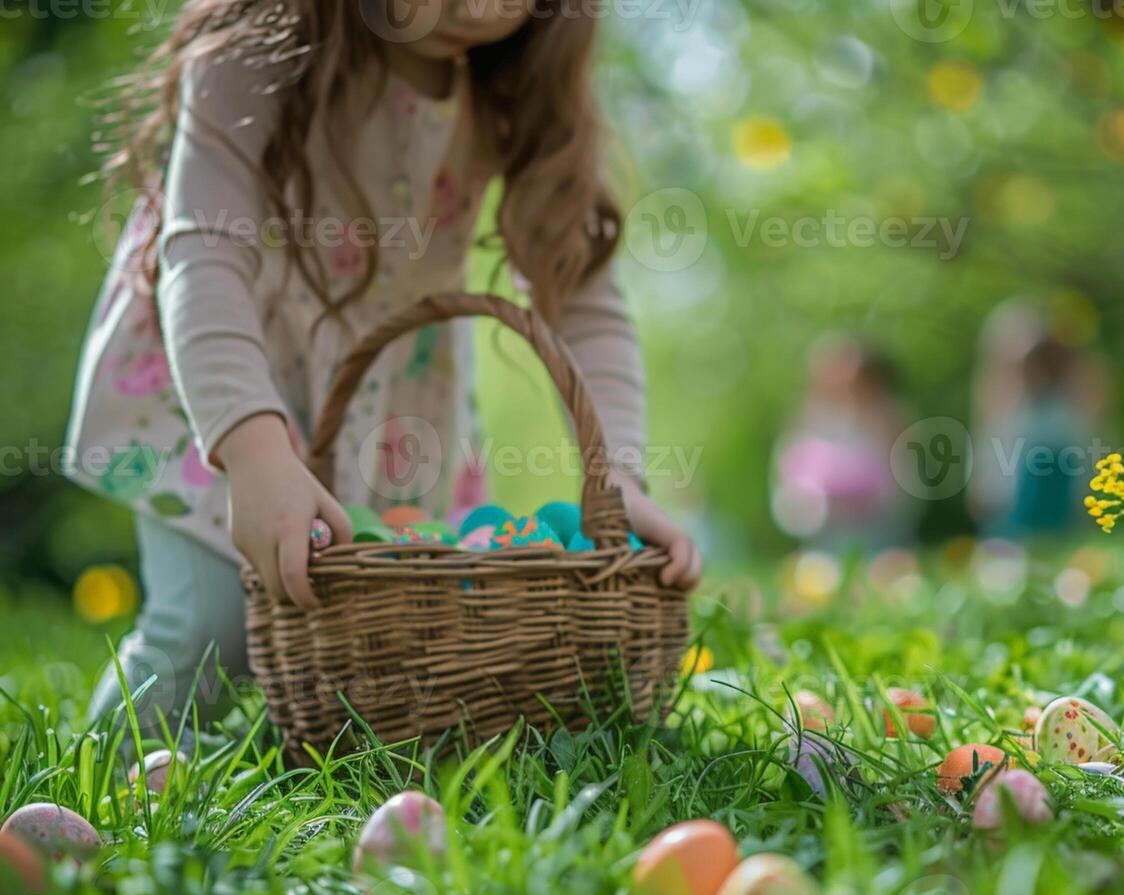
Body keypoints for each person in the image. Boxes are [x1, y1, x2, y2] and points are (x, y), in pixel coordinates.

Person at [65, 1, 701, 734]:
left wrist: (618, 477)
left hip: (395, 412)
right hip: (225, 385)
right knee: (210, 625)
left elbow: (583, 296)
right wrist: (253, 451)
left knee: (367, 638)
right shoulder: (256, 49)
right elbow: (204, 252)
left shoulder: (511, 89)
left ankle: (335, 781)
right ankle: (105, 802)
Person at [970, 300, 1110, 536]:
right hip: (1011, 502)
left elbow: (1088, 433)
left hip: (1058, 497)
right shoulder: (1005, 405)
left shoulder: (1063, 405)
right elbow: (992, 454)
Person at [770, 334, 916, 551]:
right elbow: (791, 466)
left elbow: (904, 471)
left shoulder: (887, 415)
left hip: (877, 519)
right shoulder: (808, 416)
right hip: (826, 521)